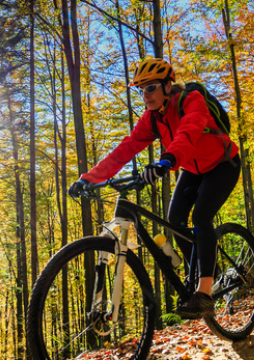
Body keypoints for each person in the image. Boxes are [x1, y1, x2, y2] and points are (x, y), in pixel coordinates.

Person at [68, 57, 241, 318]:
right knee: (175, 219)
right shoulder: (151, 119)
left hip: (223, 163)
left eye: (150, 88)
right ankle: (207, 271)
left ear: (167, 86)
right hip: (192, 169)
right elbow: (125, 149)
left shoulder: (191, 100)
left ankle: (204, 293)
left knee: (201, 216)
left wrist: (167, 160)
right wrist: (89, 178)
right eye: (141, 90)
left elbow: (190, 130)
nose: (145, 95)